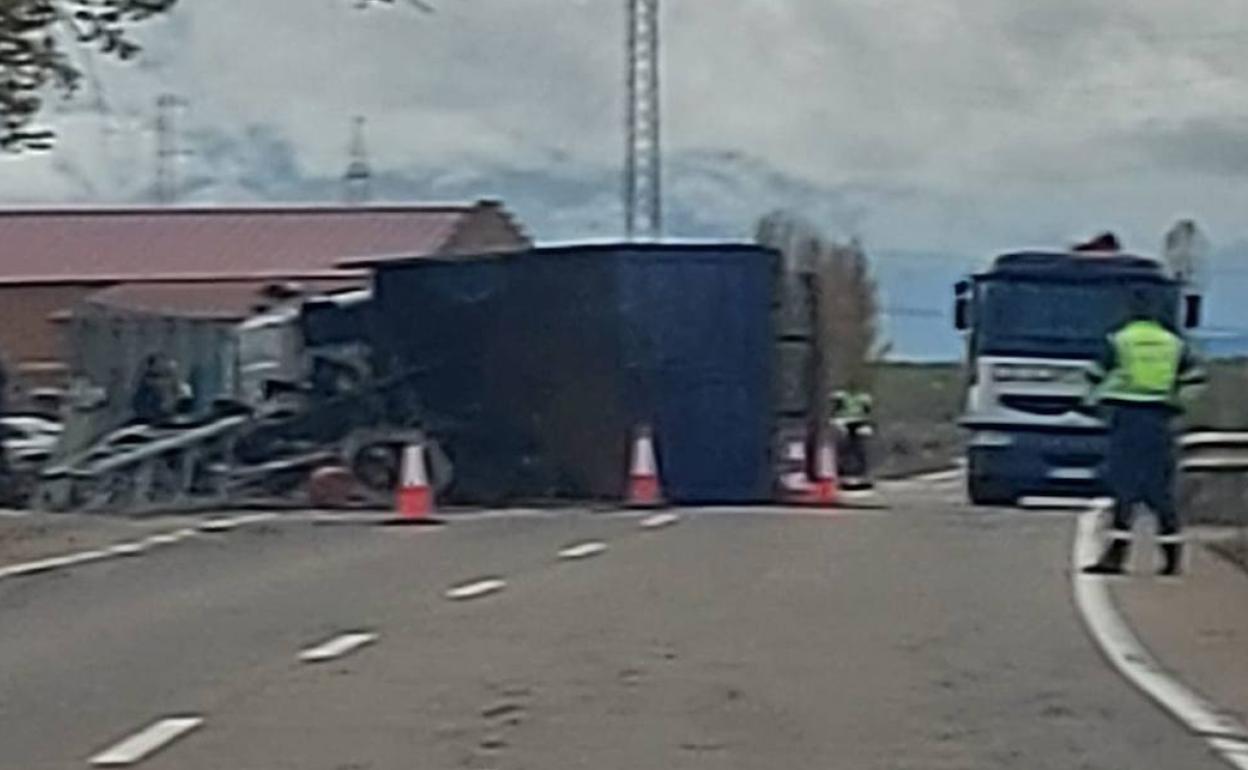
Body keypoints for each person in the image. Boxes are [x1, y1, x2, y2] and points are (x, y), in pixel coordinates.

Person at [1083, 287, 1206, 576]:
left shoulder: (1120, 340)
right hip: (1160, 419)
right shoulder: (1173, 343)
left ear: (1130, 311)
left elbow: (1093, 375)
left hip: (1126, 419)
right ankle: (1172, 558)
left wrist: (1094, 403)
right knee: (1160, 491)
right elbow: (1195, 378)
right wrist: (1177, 403)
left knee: (1124, 488)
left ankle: (1116, 557)